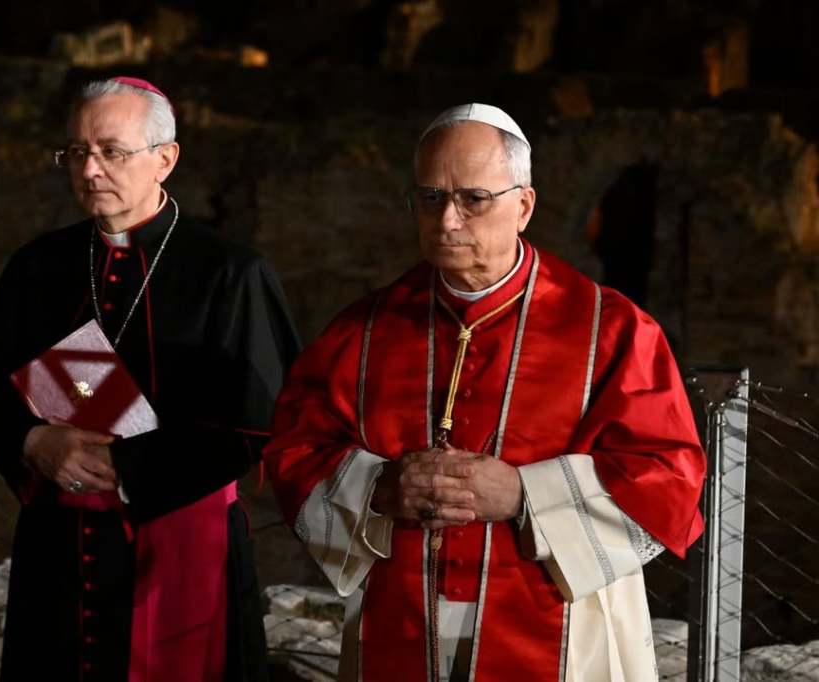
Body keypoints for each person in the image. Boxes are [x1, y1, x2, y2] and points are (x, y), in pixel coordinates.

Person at [264, 103, 706, 682]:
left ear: (523, 205)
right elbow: (296, 451)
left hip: (557, 624)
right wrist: (381, 486)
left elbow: (668, 477)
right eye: (430, 198)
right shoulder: (364, 330)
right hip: (400, 618)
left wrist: (526, 493)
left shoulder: (612, 330)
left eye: (474, 198)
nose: (448, 220)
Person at [0, 76, 299, 682]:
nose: (90, 169)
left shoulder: (230, 274)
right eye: (76, 152)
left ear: (164, 159)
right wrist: (33, 441)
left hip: (180, 535)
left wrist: (131, 471)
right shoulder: (39, 265)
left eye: (111, 151)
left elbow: (262, 416)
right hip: (58, 540)